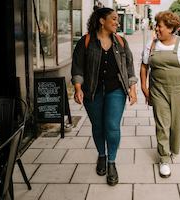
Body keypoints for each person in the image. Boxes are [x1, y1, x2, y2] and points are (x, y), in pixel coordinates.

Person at [71, 7, 137, 186]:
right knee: (98, 126)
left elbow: (129, 66)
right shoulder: (85, 42)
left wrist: (132, 88)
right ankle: (101, 155)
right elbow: (77, 67)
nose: (117, 22)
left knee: (112, 126)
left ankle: (111, 162)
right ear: (102, 21)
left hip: (116, 90)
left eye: (117, 19)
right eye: (114, 19)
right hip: (92, 91)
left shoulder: (121, 42)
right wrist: (78, 88)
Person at [140, 11, 180, 178]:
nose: (157, 30)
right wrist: (144, 87)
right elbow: (144, 65)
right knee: (162, 124)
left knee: (175, 123)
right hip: (158, 90)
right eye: (157, 26)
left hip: (179, 91)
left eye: (160, 27)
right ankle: (164, 158)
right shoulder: (151, 44)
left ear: (170, 28)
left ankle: (173, 149)